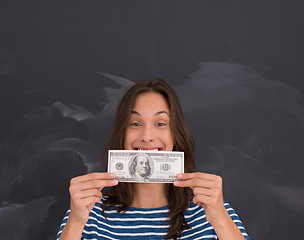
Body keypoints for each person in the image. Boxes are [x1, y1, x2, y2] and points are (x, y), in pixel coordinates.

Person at [56, 79, 250, 240]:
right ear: (122, 135)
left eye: (160, 123)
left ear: (176, 135)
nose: (147, 136)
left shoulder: (212, 208)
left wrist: (219, 219)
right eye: (135, 123)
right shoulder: (88, 212)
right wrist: (76, 221)